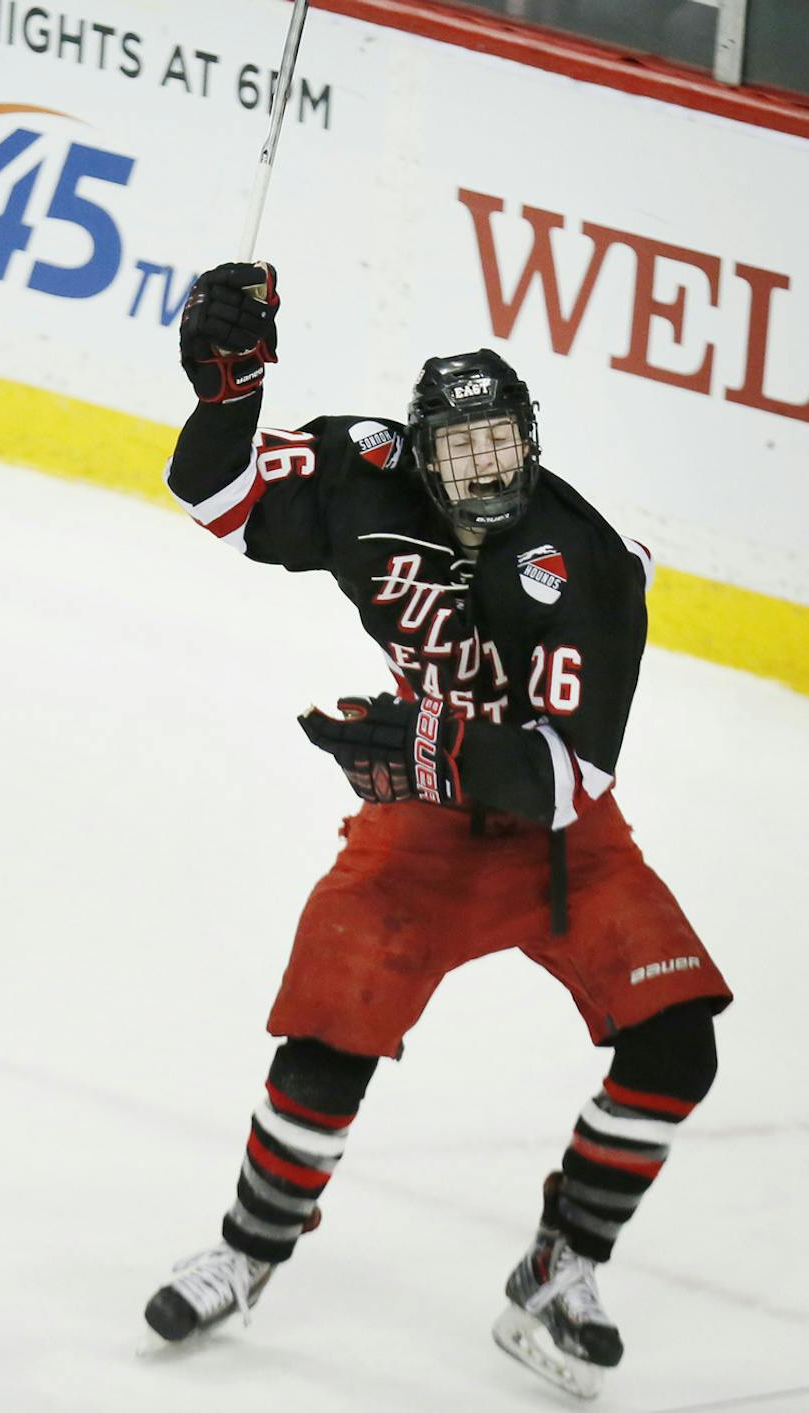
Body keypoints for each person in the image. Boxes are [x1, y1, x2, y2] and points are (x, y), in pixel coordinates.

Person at [141, 264, 732, 1399]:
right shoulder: (367, 475)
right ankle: (249, 1255)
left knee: (676, 1042)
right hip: (423, 824)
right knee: (329, 1033)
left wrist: (428, 746)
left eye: (501, 445)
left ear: (531, 440)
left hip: (555, 833)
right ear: (417, 450)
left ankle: (560, 1271)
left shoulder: (586, 564)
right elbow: (216, 501)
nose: (481, 472)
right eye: (456, 451)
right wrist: (229, 390)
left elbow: (569, 777)